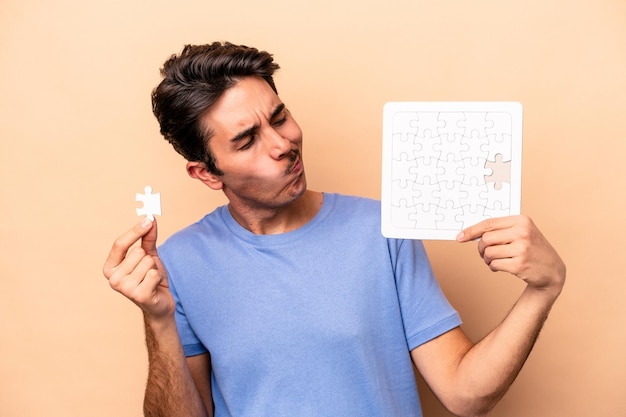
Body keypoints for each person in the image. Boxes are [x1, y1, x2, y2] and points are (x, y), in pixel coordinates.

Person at [103, 42, 566, 417]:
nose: (283, 144)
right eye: (247, 140)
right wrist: (158, 320)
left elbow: (466, 395)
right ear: (207, 173)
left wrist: (542, 290)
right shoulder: (179, 263)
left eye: (280, 117)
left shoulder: (383, 231)